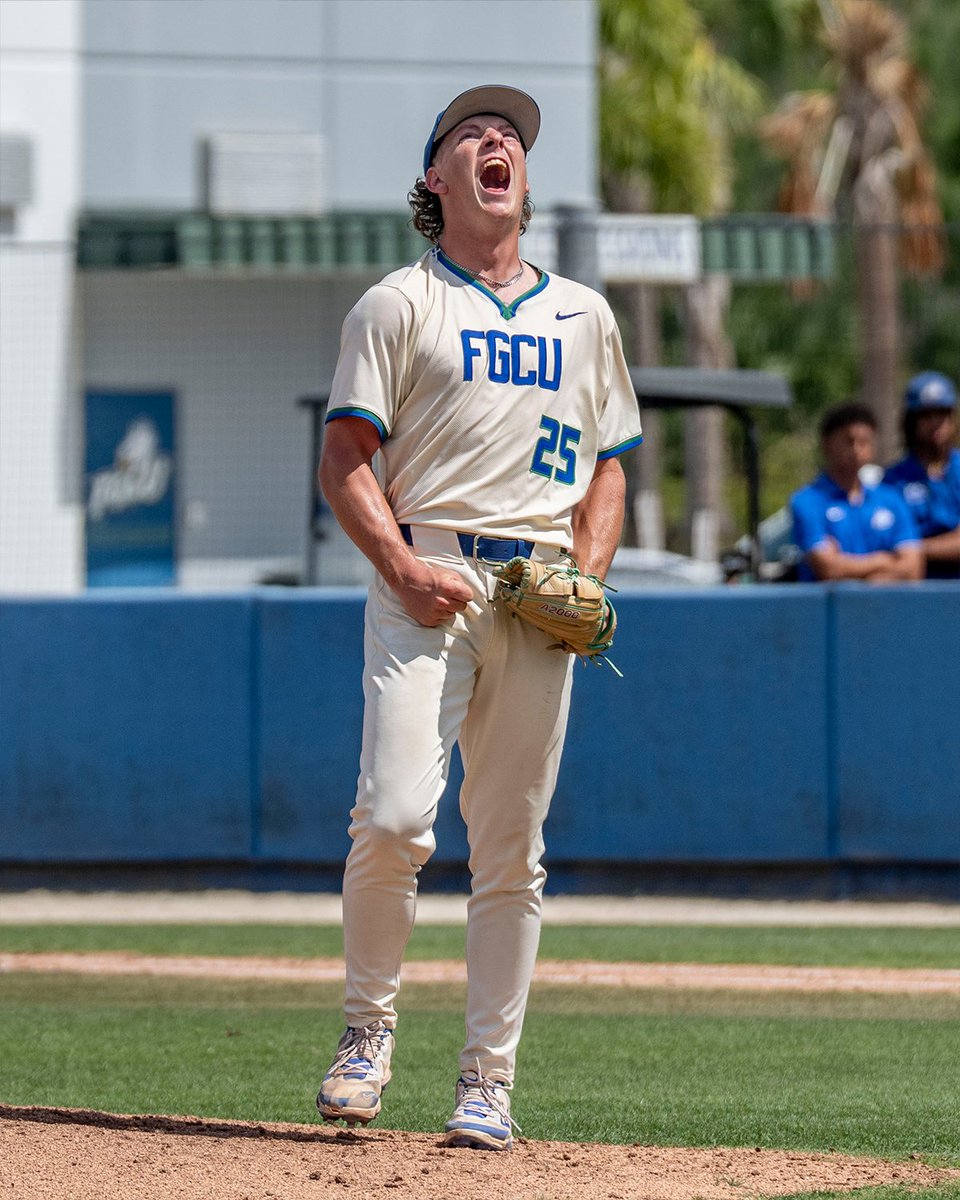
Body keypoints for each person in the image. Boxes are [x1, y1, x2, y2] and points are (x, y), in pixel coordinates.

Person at [314, 85, 642, 1151]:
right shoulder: (399, 304)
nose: (498, 142)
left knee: (511, 849)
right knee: (399, 817)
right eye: (473, 135)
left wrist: (586, 579)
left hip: (535, 593)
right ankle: (368, 1031)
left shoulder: (583, 314)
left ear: (524, 181)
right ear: (435, 180)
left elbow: (608, 467)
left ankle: (486, 1085)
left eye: (511, 138)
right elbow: (345, 460)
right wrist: (402, 565)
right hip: (432, 577)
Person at [790, 402, 922, 583]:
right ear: (827, 443)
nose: (856, 450)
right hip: (829, 610)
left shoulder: (891, 499)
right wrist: (882, 560)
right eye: (849, 441)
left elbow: (913, 568)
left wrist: (852, 569)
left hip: (886, 608)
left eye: (864, 442)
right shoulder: (807, 501)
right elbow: (828, 568)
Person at [882, 371, 960, 580]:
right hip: (915, 593)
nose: (936, 422)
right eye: (926, 415)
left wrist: (913, 549)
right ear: (910, 421)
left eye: (942, 413)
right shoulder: (892, 480)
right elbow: (885, 541)